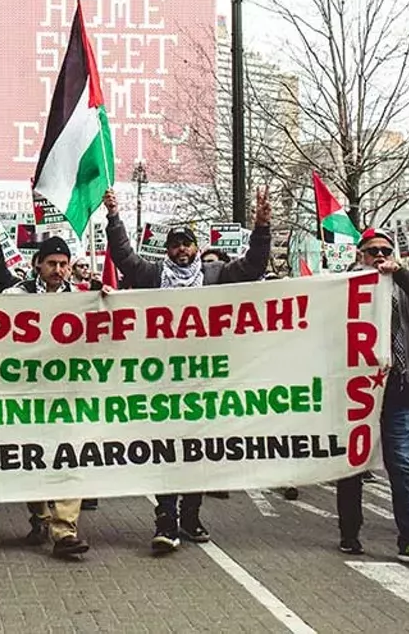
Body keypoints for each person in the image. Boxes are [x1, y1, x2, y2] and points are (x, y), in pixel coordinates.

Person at [102, 186, 272, 554]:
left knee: (196, 452)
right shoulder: (152, 275)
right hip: (162, 381)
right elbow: (125, 258)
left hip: (202, 380)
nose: (181, 249)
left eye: (187, 244)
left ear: (196, 248)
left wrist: (262, 226)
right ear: (167, 251)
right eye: (175, 245)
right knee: (166, 451)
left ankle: (191, 516)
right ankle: (166, 521)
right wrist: (114, 217)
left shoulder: (217, 275)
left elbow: (254, 266)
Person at [336, 227, 409, 565]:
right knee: (352, 465)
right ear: (359, 255)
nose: (379, 256)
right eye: (372, 251)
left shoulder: (402, 288)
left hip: (396, 389)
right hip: (355, 392)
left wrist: (402, 274)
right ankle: (350, 532)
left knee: (403, 464)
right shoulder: (341, 289)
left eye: (385, 250)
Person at [0, 236, 90, 559]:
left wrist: (107, 302)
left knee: (69, 458)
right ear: (38, 264)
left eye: (64, 264)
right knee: (32, 458)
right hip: (28, 395)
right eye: (52, 263)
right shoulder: (16, 296)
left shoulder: (82, 298)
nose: (59, 270)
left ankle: (65, 531)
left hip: (66, 396)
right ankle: (41, 517)